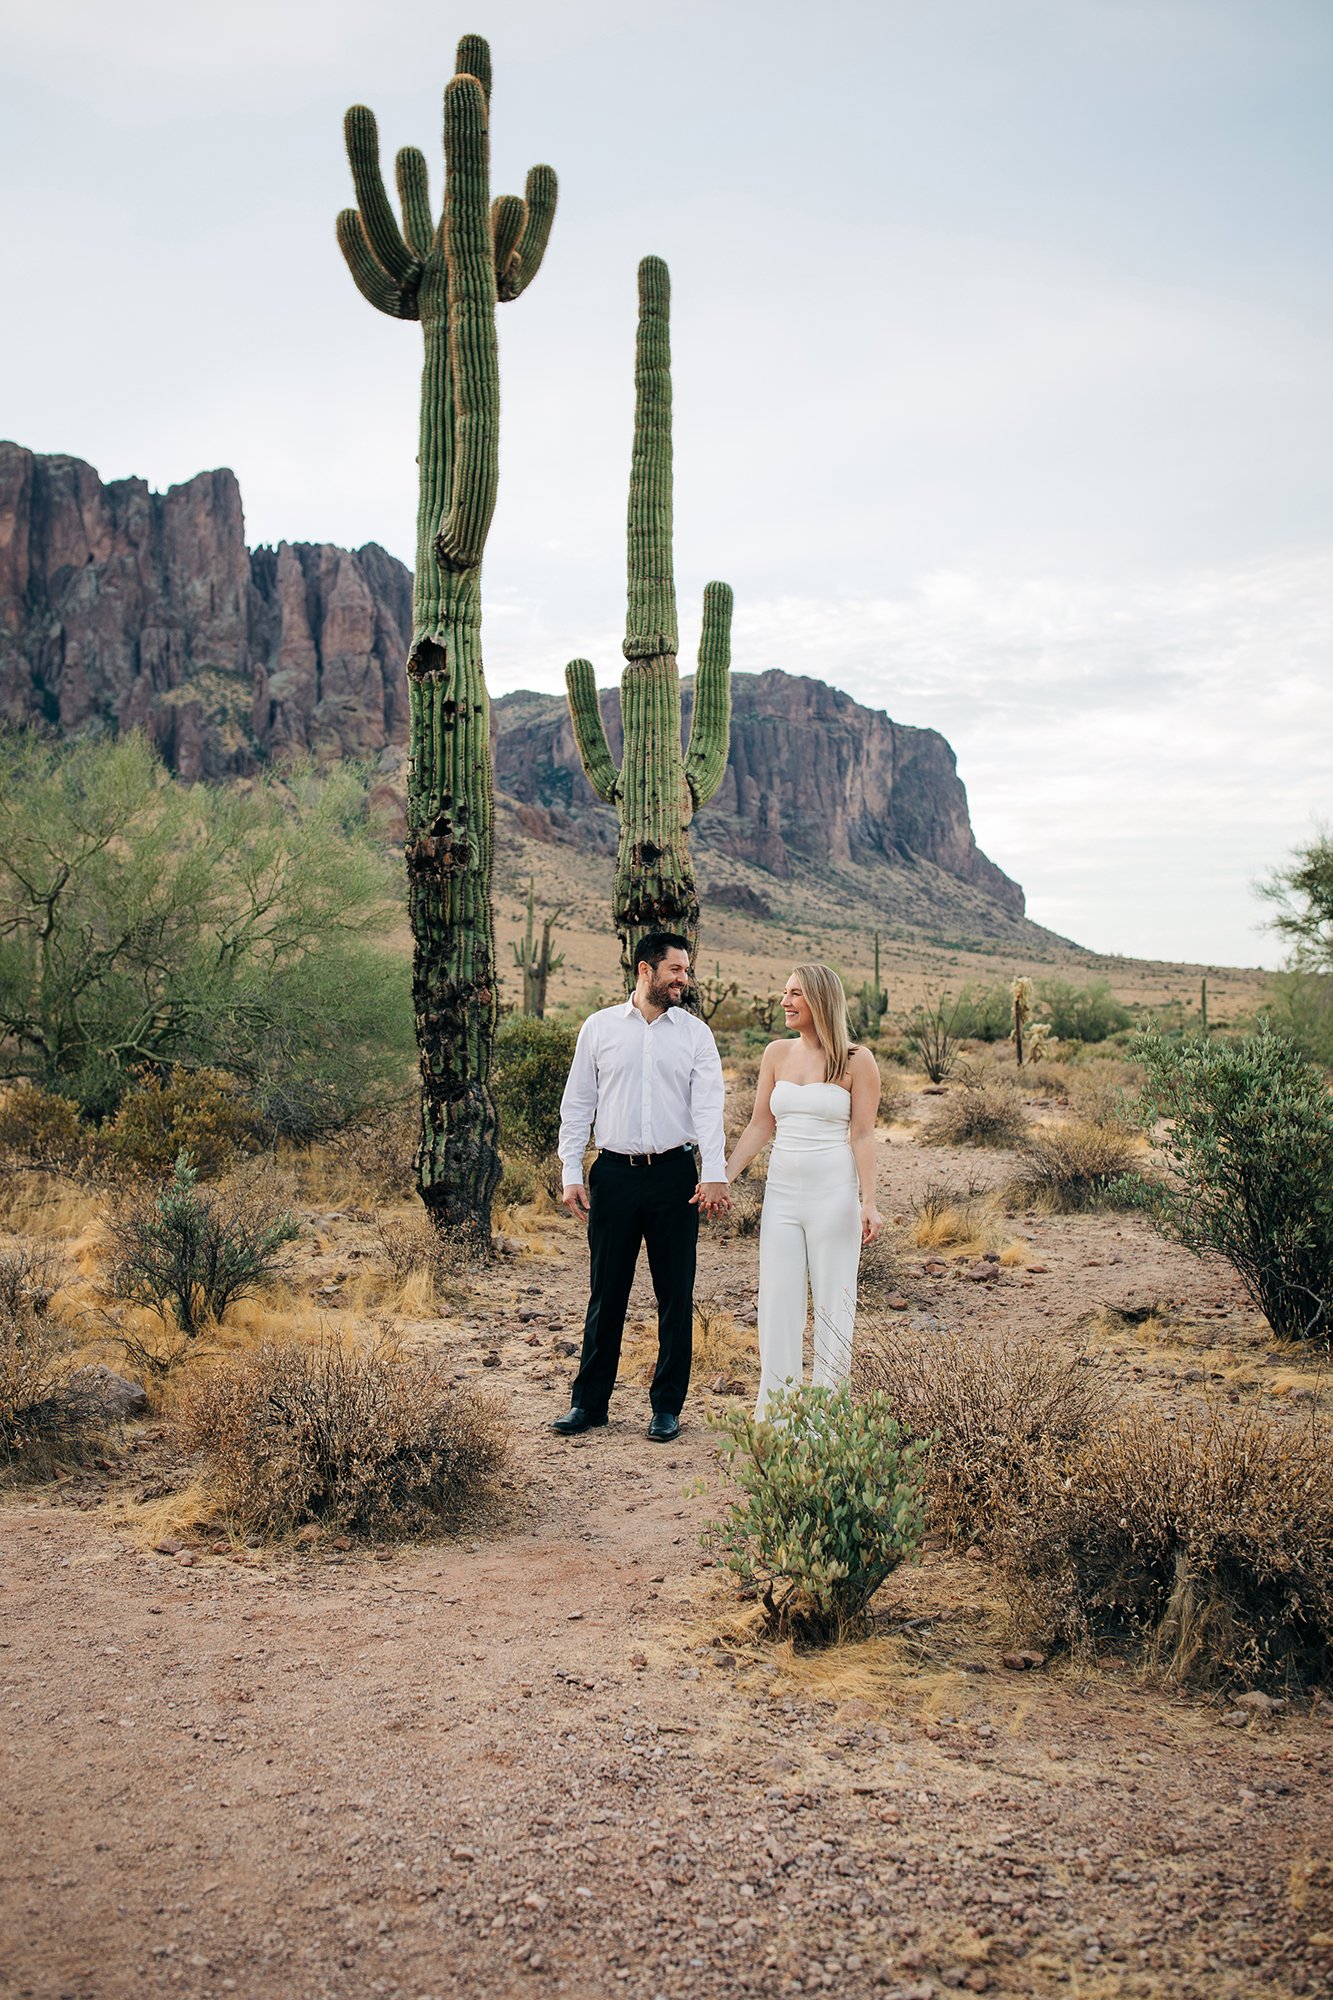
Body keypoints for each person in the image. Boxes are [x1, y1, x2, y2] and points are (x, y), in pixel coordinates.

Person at [555, 932, 731, 1443]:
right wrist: (571, 1171)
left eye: (687, 970)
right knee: (606, 1292)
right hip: (612, 1173)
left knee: (675, 1293)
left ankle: (667, 1407)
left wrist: (713, 1171)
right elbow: (577, 1104)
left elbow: (707, 1108)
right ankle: (589, 1404)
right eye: (675, 969)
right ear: (644, 970)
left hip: (675, 1174)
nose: (684, 979)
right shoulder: (600, 1027)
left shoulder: (695, 1035)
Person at [725, 963, 882, 1417]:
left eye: (795, 993)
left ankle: (828, 1420)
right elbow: (760, 1124)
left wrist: (868, 1201)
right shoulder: (775, 1053)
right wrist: (722, 1174)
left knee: (835, 1304)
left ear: (819, 1000)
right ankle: (777, 1416)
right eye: (784, 992)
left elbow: (863, 1135)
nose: (784, 1001)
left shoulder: (857, 1060)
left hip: (834, 1194)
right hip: (782, 1197)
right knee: (777, 1301)